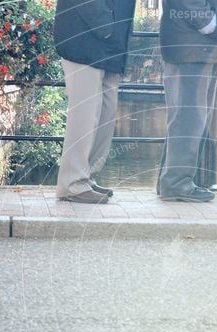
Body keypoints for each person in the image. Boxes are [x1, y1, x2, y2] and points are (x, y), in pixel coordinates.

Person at [53, 0, 136, 203]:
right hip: (85, 37)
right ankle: (72, 183)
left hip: (110, 42)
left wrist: (113, 31)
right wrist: (106, 27)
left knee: (106, 113)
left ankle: (86, 176)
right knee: (85, 113)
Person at [156, 0, 217, 202]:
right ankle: (176, 183)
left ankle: (173, 181)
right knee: (188, 118)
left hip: (198, 46)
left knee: (190, 118)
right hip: (193, 45)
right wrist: (210, 24)